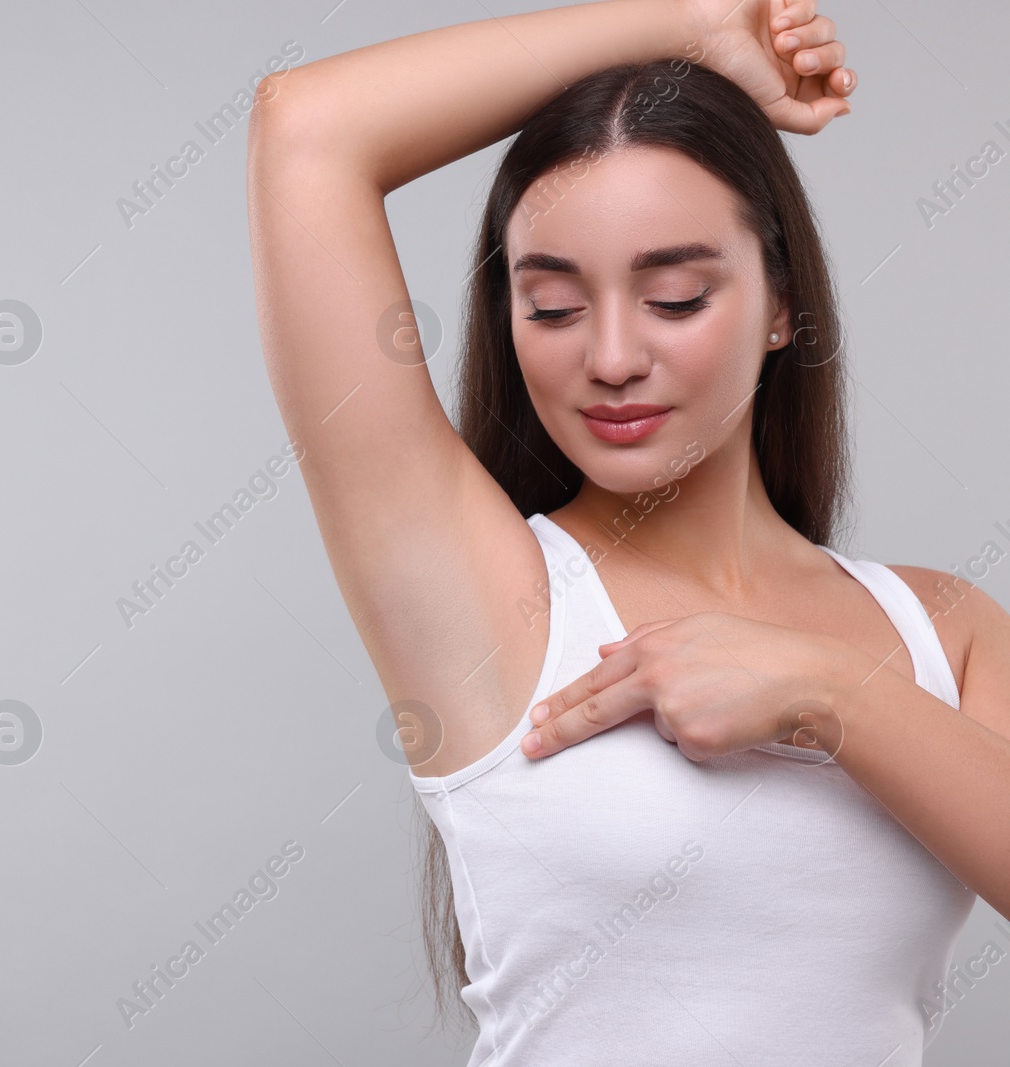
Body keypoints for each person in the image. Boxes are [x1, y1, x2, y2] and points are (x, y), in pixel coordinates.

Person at [245, 0, 1010, 1061]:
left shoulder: (943, 628)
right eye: (552, 307)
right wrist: (693, 26)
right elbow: (306, 129)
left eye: (675, 295)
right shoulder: (490, 595)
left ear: (780, 303)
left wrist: (825, 690)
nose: (608, 356)